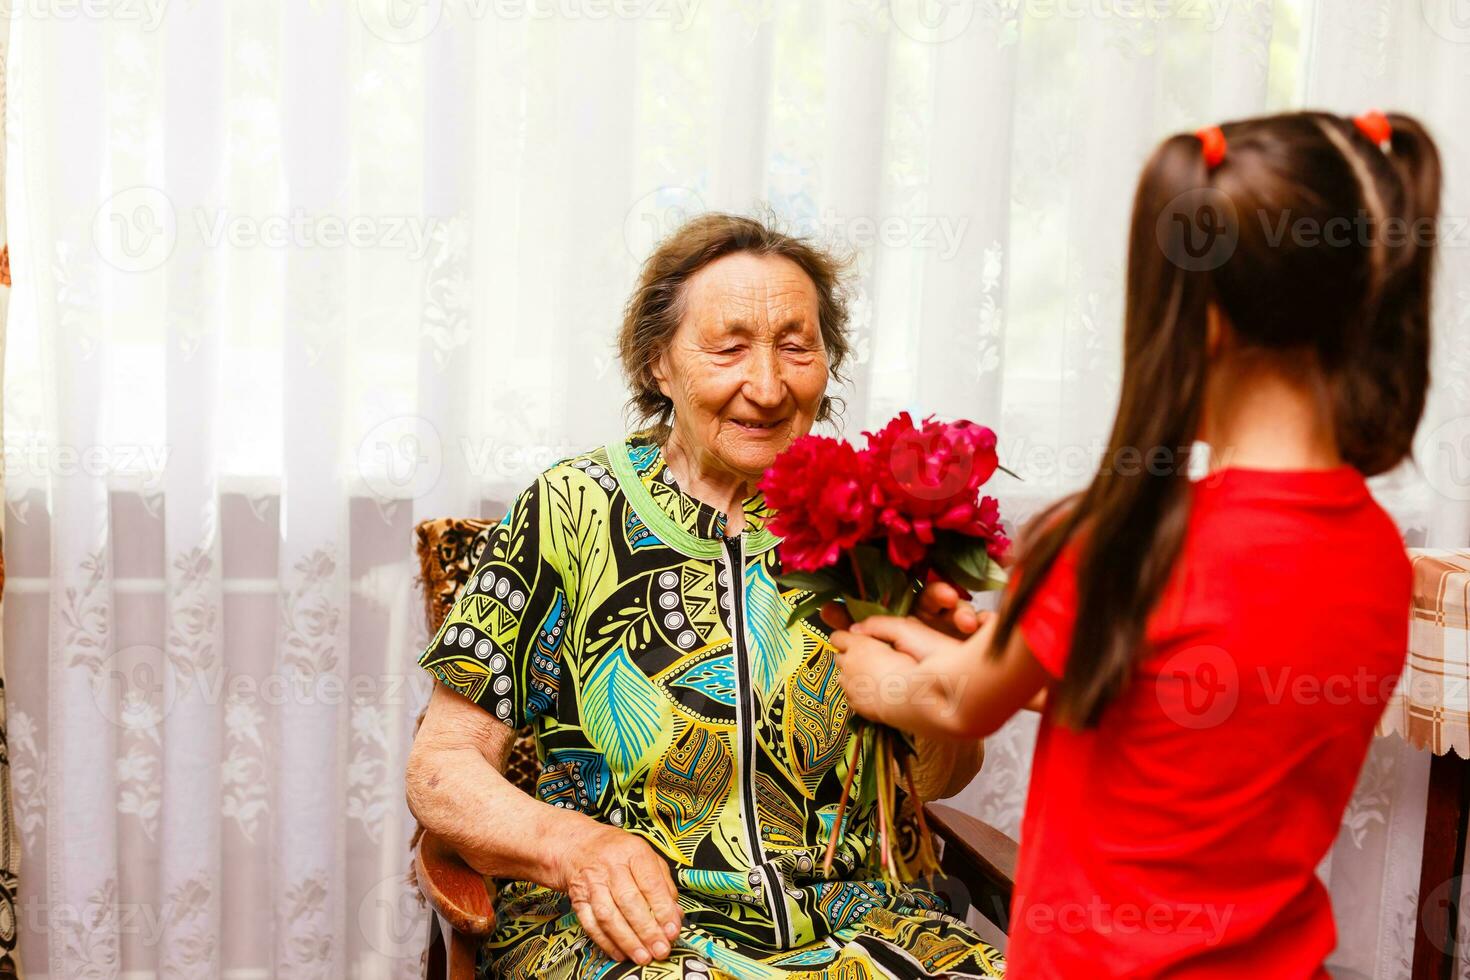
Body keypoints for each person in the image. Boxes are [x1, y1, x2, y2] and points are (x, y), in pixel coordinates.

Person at [829, 110, 1438, 976]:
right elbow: (1207, 704)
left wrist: (887, 674)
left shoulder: (1127, 539)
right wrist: (1031, 645)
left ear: (1206, 317)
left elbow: (959, 704)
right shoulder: (1378, 551)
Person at [406, 213, 1005, 978]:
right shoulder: (570, 509)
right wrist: (575, 848)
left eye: (797, 345)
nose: (767, 385)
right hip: (635, 928)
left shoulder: (870, 516)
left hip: (863, 919)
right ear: (659, 364)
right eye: (728, 349)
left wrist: (941, 681)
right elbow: (441, 767)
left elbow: (935, 778)